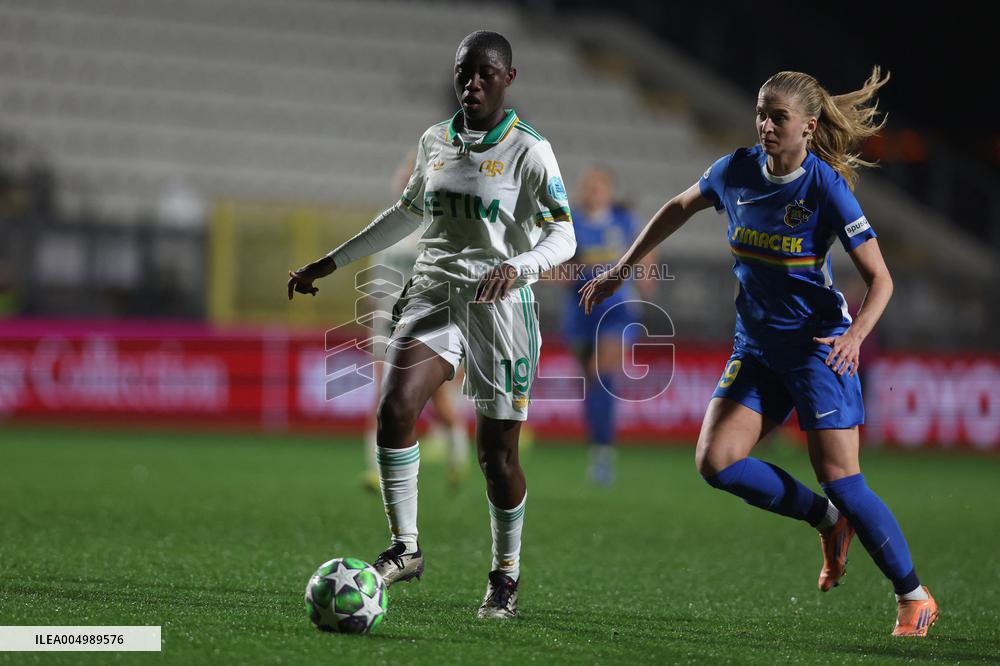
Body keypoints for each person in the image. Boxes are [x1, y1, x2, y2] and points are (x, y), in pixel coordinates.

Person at [579, 67, 938, 637]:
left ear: (808, 127)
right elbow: (677, 207)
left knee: (843, 479)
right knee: (716, 462)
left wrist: (854, 336)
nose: (766, 125)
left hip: (817, 348)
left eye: (779, 117)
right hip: (758, 346)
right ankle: (826, 522)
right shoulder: (736, 170)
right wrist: (623, 266)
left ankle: (913, 595)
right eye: (761, 114)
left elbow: (882, 279)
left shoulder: (825, 188)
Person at [288, 31, 576, 620]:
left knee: (496, 455)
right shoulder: (434, 142)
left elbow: (564, 235)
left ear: (508, 80)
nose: (471, 83)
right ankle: (406, 547)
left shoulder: (530, 151)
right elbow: (405, 214)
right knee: (395, 407)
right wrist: (331, 261)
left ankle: (505, 574)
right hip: (433, 293)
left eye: (484, 74)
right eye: (463, 72)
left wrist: (519, 267)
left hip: (501, 306)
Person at [361, 151, 470, 493]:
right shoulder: (386, 222)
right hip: (387, 320)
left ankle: (457, 455)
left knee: (437, 401)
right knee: (382, 397)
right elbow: (377, 279)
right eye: (405, 175)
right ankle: (379, 472)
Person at [561, 166, 652, 484]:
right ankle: (597, 446)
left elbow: (646, 249)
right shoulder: (570, 221)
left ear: (609, 191)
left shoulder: (623, 220)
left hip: (618, 309)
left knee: (602, 372)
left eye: (599, 186)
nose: (594, 192)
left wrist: (647, 275)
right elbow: (560, 269)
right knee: (590, 381)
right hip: (581, 310)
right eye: (589, 186)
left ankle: (603, 452)